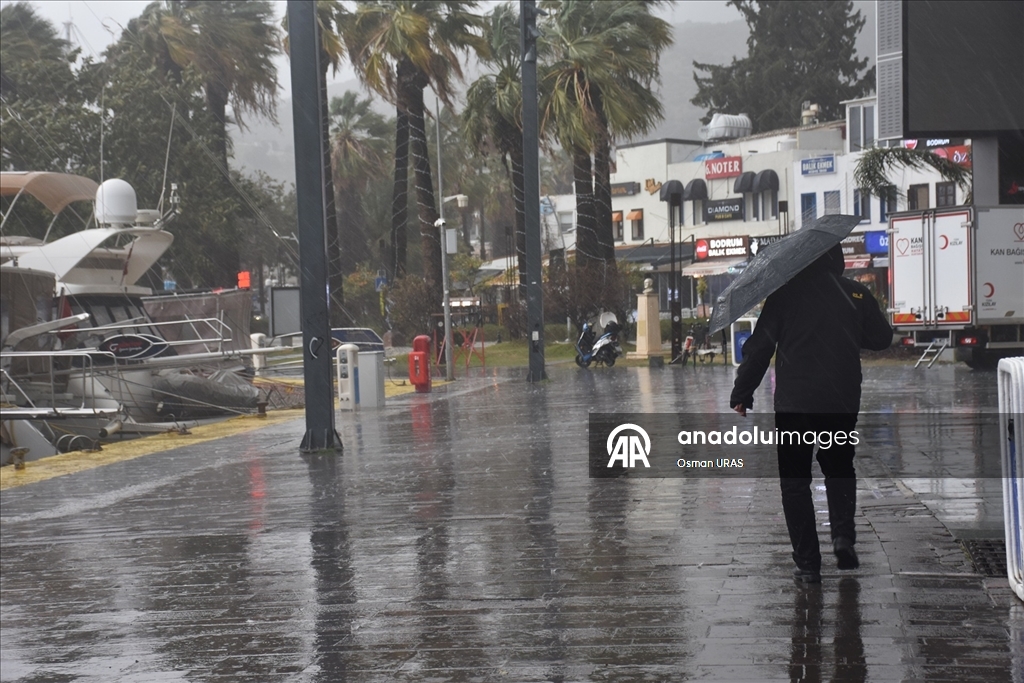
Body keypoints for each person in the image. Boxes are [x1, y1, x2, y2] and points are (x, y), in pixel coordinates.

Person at [729, 244, 893, 584]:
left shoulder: (783, 297)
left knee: (795, 483)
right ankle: (843, 537)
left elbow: (760, 349)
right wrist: (848, 329)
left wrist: (742, 392)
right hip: (840, 401)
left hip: (795, 405)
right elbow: (882, 338)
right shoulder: (856, 294)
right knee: (839, 470)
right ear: (838, 261)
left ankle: (808, 563)